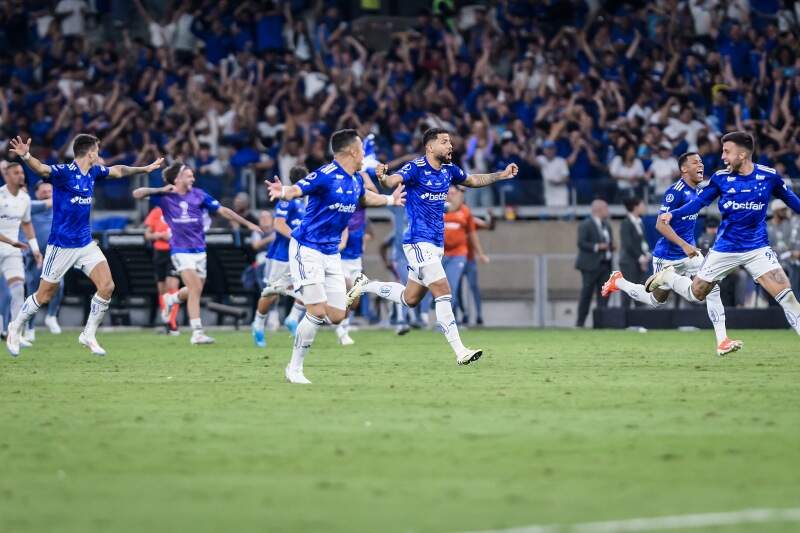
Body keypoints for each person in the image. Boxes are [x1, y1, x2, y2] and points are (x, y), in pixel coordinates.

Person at [347, 128, 518, 365]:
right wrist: (383, 176)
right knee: (443, 291)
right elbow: (392, 180)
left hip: (435, 246)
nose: (450, 146)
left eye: (450, 142)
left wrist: (501, 175)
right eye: (445, 142)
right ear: (430, 147)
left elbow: (472, 180)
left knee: (410, 298)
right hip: (418, 241)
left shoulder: (449, 171)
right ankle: (460, 351)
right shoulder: (416, 168)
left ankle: (366, 285)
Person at [264, 129, 406, 384]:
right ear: (352, 151)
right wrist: (283, 191)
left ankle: (291, 290)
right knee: (317, 311)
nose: (365, 154)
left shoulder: (355, 179)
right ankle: (294, 369)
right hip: (307, 247)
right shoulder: (326, 174)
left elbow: (365, 197)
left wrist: (390, 199)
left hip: (331, 253)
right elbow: (298, 189)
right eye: (362, 149)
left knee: (337, 316)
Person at [7, 134, 164, 357]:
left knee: (107, 286)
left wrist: (144, 169)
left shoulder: (94, 172)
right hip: (61, 245)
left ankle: (88, 334)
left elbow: (118, 170)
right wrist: (26, 155)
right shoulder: (64, 173)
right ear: (90, 153)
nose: (99, 155)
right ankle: (15, 326)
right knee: (44, 296)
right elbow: (42, 170)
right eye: (97, 150)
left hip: (85, 243)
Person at [647, 131, 800, 341]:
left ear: (742, 155)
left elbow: (794, 203)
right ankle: (668, 277)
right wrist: (672, 214)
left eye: (727, 152)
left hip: (758, 248)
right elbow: (698, 203)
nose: (722, 157)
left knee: (788, 296)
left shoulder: (769, 176)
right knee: (697, 293)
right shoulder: (721, 178)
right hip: (724, 248)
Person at [602, 153, 742, 355]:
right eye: (695, 162)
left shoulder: (698, 191)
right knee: (655, 301)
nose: (700, 165)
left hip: (690, 254)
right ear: (684, 169)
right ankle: (619, 282)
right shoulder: (674, 192)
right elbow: (660, 224)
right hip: (667, 256)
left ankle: (722, 340)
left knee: (712, 288)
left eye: (702, 162)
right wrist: (684, 245)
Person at [133, 162, 262, 345]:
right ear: (177, 178)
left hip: (199, 250)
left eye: (193, 175)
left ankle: (171, 299)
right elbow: (136, 193)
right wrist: (160, 189)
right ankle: (197, 332)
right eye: (188, 175)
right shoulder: (165, 197)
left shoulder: (199, 195)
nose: (192, 178)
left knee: (195, 289)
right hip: (179, 249)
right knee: (194, 289)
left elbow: (223, 211)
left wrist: (248, 224)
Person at [251, 166, 307, 348]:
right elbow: (279, 225)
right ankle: (258, 324)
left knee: (311, 286)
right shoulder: (286, 199)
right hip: (281, 256)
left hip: (301, 255)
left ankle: (293, 318)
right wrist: (297, 238)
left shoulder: (310, 201)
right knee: (272, 293)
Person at [0, 163, 43, 348]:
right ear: (6, 176)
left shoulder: (25, 198)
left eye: (21, 173)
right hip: (7, 245)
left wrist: (35, 249)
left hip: (12, 251)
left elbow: (26, 224)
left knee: (18, 290)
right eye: (15, 173)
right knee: (5, 294)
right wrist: (12, 241)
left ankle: (14, 333)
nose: (20, 176)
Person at [335, 171, 378, 346]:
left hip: (355, 257)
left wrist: (363, 174)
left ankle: (344, 326)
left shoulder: (362, 200)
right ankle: (340, 330)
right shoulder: (340, 199)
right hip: (339, 255)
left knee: (355, 297)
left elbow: (374, 193)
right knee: (346, 289)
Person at [25, 181, 64, 338]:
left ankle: (51, 316)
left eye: (50, 191)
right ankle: (30, 327)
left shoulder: (60, 208)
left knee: (59, 285)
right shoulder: (29, 206)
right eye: (44, 191)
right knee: (34, 290)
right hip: (35, 255)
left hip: (55, 253)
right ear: (36, 193)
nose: (47, 193)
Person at [575, 199, 614, 328]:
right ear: (598, 210)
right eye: (606, 208)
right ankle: (580, 323)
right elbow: (581, 243)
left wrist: (611, 247)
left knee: (604, 294)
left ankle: (600, 323)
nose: (607, 211)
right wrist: (598, 246)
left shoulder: (606, 225)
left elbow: (609, 241)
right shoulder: (586, 224)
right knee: (586, 294)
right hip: (590, 265)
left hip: (605, 264)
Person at [143, 205, 180, 335]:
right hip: (159, 253)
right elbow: (147, 234)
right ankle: (167, 320)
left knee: (173, 285)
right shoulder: (156, 211)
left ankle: (173, 323)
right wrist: (160, 235)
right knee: (162, 288)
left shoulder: (180, 209)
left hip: (175, 252)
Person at [617, 197, 651, 308]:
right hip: (629, 262)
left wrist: (646, 255)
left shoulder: (640, 222)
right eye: (642, 205)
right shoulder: (626, 223)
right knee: (628, 291)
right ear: (635, 207)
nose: (644, 207)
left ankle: (639, 320)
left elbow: (642, 243)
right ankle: (623, 321)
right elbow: (628, 244)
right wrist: (641, 258)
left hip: (639, 262)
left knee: (640, 292)